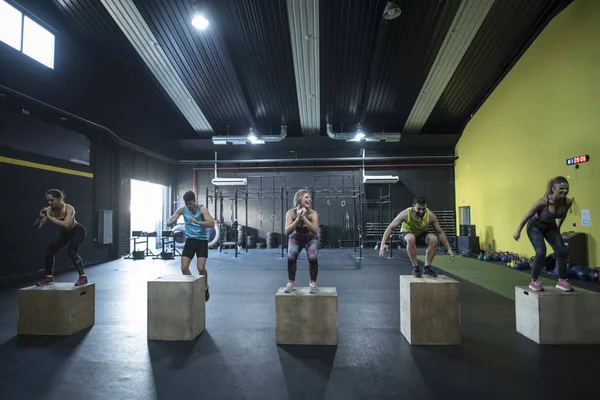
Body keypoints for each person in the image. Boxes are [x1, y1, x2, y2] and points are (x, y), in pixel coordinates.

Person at [513, 176, 573, 292]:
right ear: (553, 189)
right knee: (541, 252)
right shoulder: (543, 202)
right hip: (535, 228)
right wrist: (518, 231)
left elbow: (563, 215)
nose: (565, 191)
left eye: (567, 189)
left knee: (561, 251)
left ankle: (561, 280)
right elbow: (528, 215)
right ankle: (534, 280)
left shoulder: (568, 202)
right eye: (561, 188)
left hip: (551, 228)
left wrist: (558, 228)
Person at [379, 195, 455, 277]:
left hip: (420, 234)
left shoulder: (430, 215)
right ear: (413, 206)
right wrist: (383, 243)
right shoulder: (405, 214)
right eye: (419, 209)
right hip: (406, 234)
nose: (421, 211)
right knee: (411, 238)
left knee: (434, 239)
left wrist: (449, 249)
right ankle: (415, 267)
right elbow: (390, 227)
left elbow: (440, 232)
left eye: (423, 209)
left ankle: (427, 268)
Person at [166, 191, 215, 301]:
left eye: (190, 203)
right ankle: (194, 286)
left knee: (200, 268)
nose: (189, 206)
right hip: (190, 241)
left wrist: (198, 222)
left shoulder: (202, 209)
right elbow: (172, 218)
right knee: (184, 268)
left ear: (195, 201)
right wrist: (170, 222)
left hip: (202, 241)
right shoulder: (183, 210)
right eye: (187, 204)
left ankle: (205, 287)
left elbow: (212, 223)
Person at [33, 189, 88, 286]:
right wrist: (40, 218)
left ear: (59, 198)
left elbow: (67, 224)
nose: (49, 203)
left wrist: (50, 217)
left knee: (71, 252)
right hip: (64, 233)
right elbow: (36, 227)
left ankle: (83, 277)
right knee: (50, 251)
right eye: (48, 200)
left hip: (77, 231)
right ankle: (49, 278)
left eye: (52, 200)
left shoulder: (69, 208)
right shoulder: (49, 210)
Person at [283, 189, 320, 294]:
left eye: (309, 197)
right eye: (306, 197)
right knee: (291, 256)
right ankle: (291, 283)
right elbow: (288, 231)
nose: (309, 199)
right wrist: (298, 219)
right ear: (300, 199)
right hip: (296, 238)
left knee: (312, 257)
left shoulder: (313, 214)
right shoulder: (291, 213)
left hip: (311, 238)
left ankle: (313, 284)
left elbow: (314, 230)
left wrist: (303, 217)